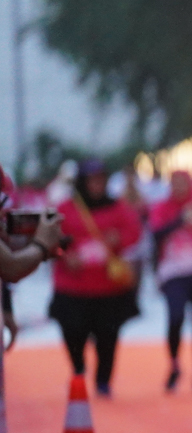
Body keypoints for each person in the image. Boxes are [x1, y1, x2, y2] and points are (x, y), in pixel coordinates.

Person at [50, 159, 143, 398]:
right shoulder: (65, 208)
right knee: (73, 332)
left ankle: (103, 380)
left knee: (108, 337)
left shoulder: (118, 207)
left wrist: (118, 239)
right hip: (73, 287)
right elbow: (50, 239)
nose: (97, 185)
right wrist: (65, 256)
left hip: (108, 288)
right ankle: (78, 369)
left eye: (101, 179)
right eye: (92, 180)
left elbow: (134, 231)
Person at [149, 169, 192, 393]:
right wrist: (181, 220)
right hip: (173, 273)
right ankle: (174, 364)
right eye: (175, 183)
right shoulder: (162, 207)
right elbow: (156, 233)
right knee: (175, 317)